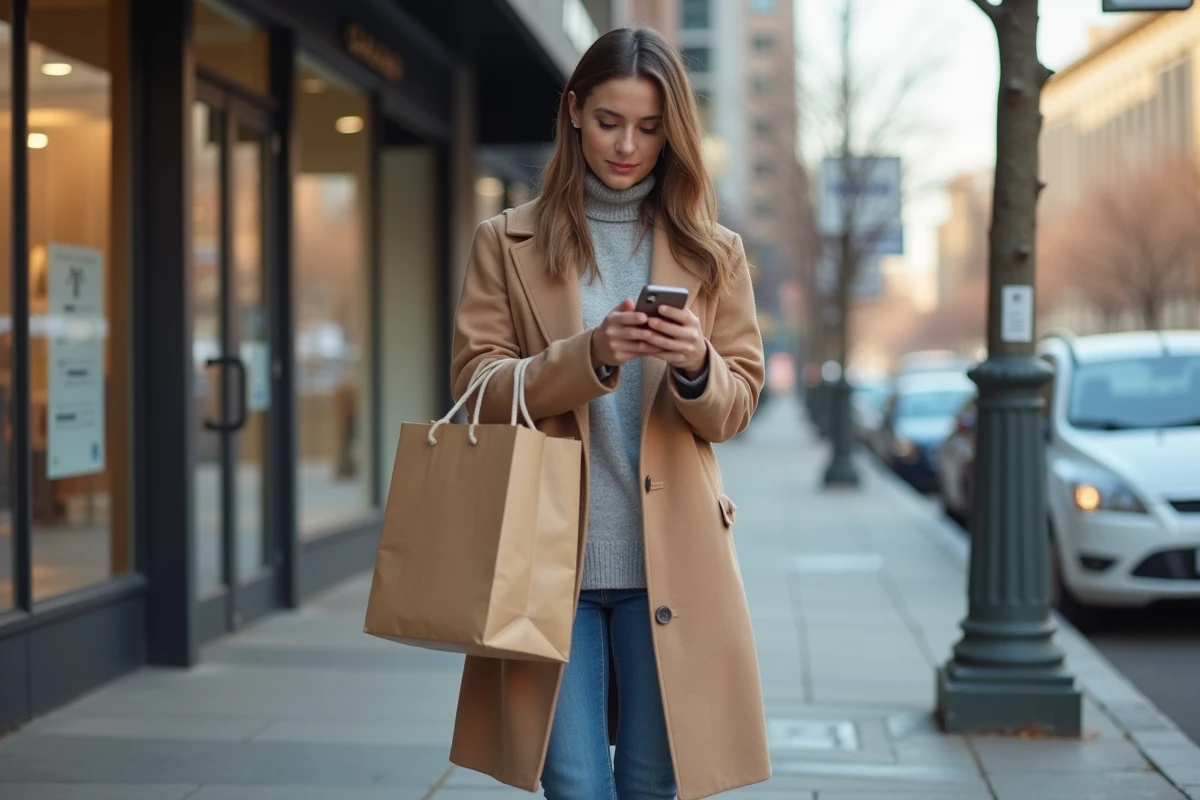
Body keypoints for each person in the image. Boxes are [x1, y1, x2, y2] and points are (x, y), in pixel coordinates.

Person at [447, 26, 771, 800]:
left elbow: (737, 406)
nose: (627, 145)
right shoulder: (506, 240)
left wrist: (695, 361)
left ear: (674, 131)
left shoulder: (713, 251)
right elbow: (477, 386)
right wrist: (587, 356)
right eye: (608, 122)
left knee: (656, 781)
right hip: (546, 558)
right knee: (576, 783)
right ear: (573, 112)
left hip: (674, 559)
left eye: (651, 127)